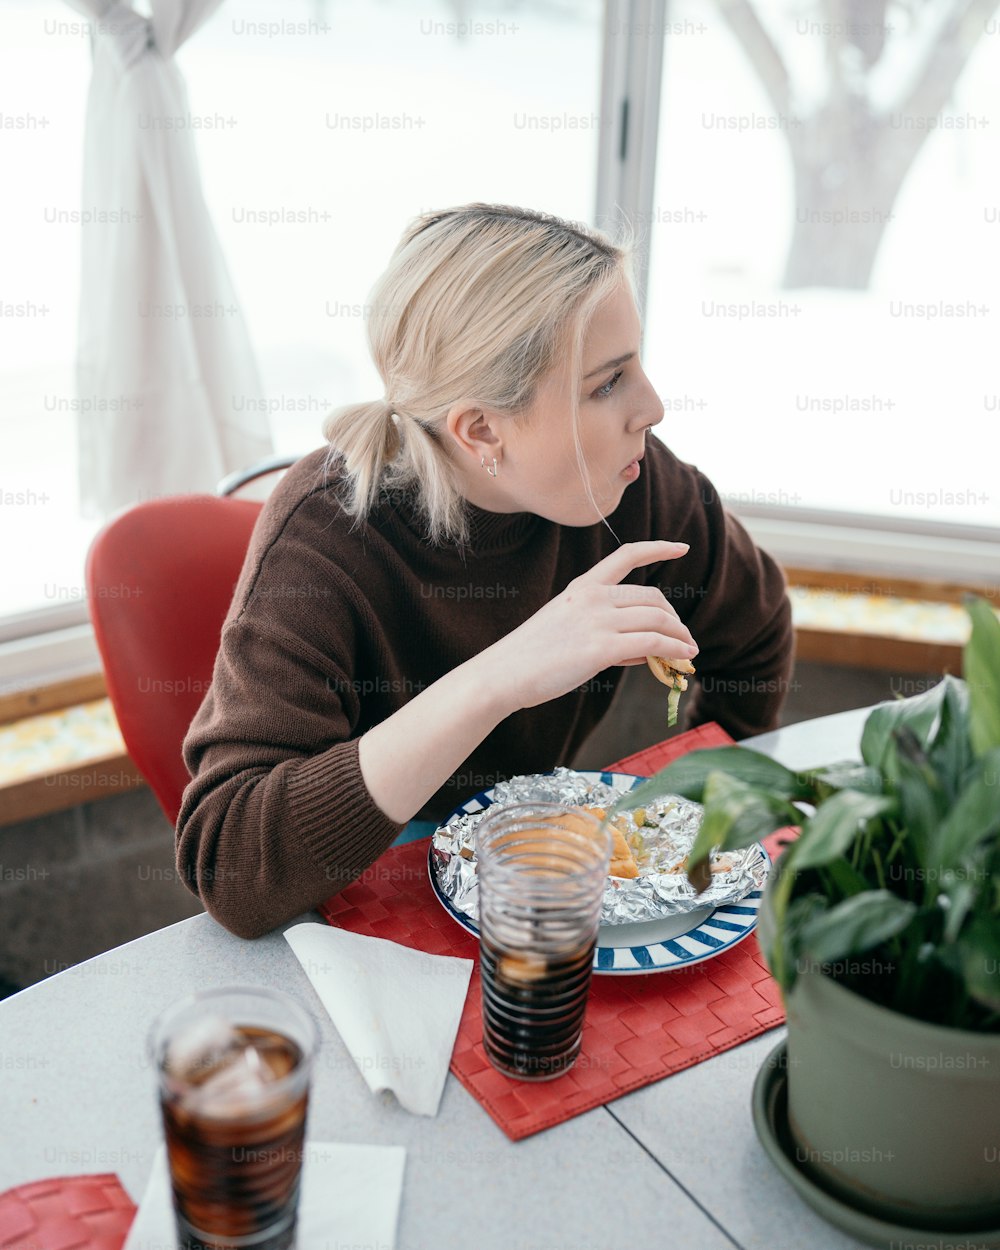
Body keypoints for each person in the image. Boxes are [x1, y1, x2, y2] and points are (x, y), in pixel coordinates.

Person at [176, 203, 793, 940]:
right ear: (482, 431)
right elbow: (232, 871)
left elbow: (755, 630)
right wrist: (497, 679)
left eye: (636, 365)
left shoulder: (635, 483)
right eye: (606, 384)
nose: (652, 407)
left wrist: (698, 818)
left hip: (529, 883)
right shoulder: (321, 543)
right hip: (358, 913)